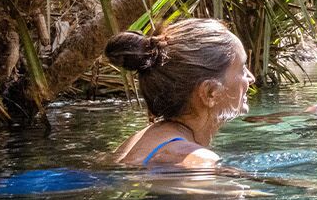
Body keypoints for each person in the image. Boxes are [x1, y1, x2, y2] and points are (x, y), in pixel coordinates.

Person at [107, 18, 255, 168]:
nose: (251, 78)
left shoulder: (138, 140)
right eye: (242, 68)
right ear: (210, 92)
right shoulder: (197, 161)